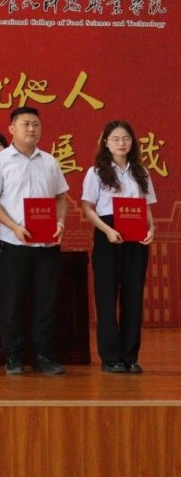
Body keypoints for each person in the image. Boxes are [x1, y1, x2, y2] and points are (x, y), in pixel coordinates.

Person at [0, 106, 70, 375]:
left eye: (35, 124)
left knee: (45, 302)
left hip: (47, 244)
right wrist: (14, 227)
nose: (31, 129)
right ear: (12, 129)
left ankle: (43, 356)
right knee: (12, 302)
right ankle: (13, 356)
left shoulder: (50, 161)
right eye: (25, 124)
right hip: (14, 243)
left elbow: (61, 197)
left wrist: (60, 223)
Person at [80, 120, 156, 374]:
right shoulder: (96, 172)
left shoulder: (141, 172)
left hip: (136, 236)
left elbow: (146, 206)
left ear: (132, 142)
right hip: (108, 234)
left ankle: (130, 355)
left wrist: (151, 228)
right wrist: (107, 230)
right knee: (106, 297)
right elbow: (88, 208)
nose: (121, 143)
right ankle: (110, 356)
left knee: (133, 297)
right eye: (115, 139)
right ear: (106, 142)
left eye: (126, 138)